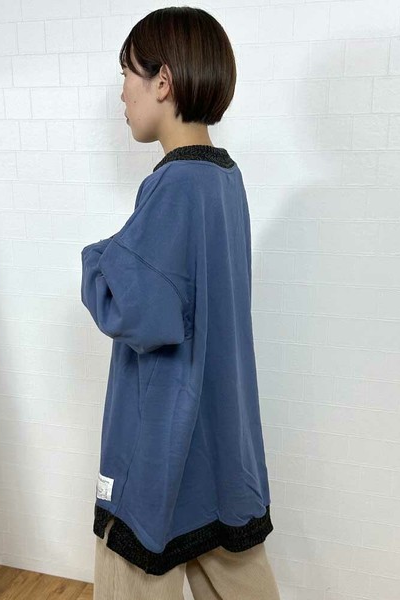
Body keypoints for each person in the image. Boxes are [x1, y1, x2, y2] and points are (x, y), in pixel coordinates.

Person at [80, 6, 281, 599]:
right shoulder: (225, 179)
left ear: (162, 81)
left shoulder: (173, 185)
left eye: (126, 74)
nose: (122, 93)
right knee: (236, 572)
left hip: (161, 432)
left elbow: (137, 310)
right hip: (220, 435)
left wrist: (96, 255)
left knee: (131, 566)